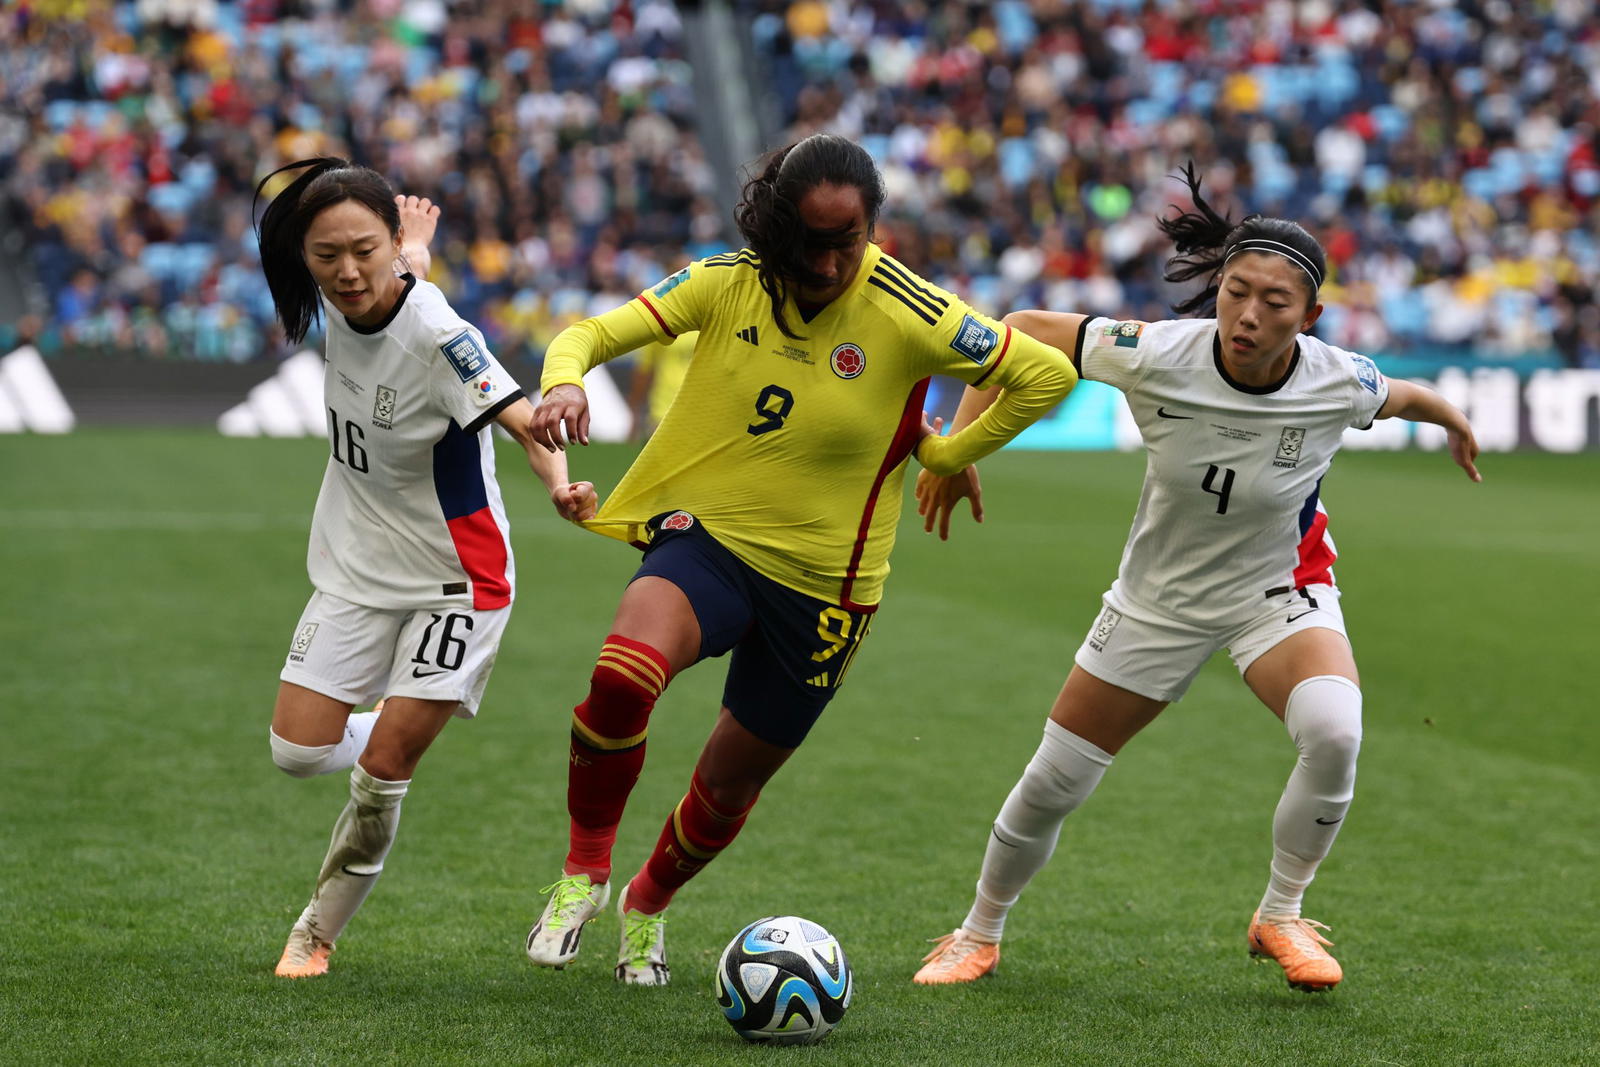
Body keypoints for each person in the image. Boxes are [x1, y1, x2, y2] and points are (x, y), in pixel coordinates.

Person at [521, 133, 1080, 986]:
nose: (825, 261)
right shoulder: (727, 280)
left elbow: (1044, 375)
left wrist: (947, 452)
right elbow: (590, 333)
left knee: (727, 785)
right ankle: (584, 873)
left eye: (845, 239)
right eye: (809, 239)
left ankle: (646, 902)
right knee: (622, 676)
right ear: (774, 221)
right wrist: (565, 379)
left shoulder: (910, 308)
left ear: (871, 226)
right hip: (710, 539)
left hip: (828, 588)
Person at [910, 165, 1482, 993]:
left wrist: (1455, 417)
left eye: (1275, 302)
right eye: (1236, 291)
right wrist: (961, 451)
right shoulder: (1155, 353)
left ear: (1311, 316)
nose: (1249, 314)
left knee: (1336, 729)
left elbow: (1402, 395)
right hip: (1158, 601)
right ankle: (978, 931)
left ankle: (1280, 913)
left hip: (1276, 593)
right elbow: (1022, 326)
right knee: (1055, 780)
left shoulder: (1334, 378)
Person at [254, 157, 596, 979]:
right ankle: (401, 718)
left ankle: (314, 932)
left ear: (385, 246)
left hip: (460, 580)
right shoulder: (358, 289)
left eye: (364, 251)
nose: (347, 271)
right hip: (355, 565)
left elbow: (519, 416)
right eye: (327, 254)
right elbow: (402, 274)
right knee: (297, 752)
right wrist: (406, 246)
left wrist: (560, 485)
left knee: (380, 778)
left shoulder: (440, 333)